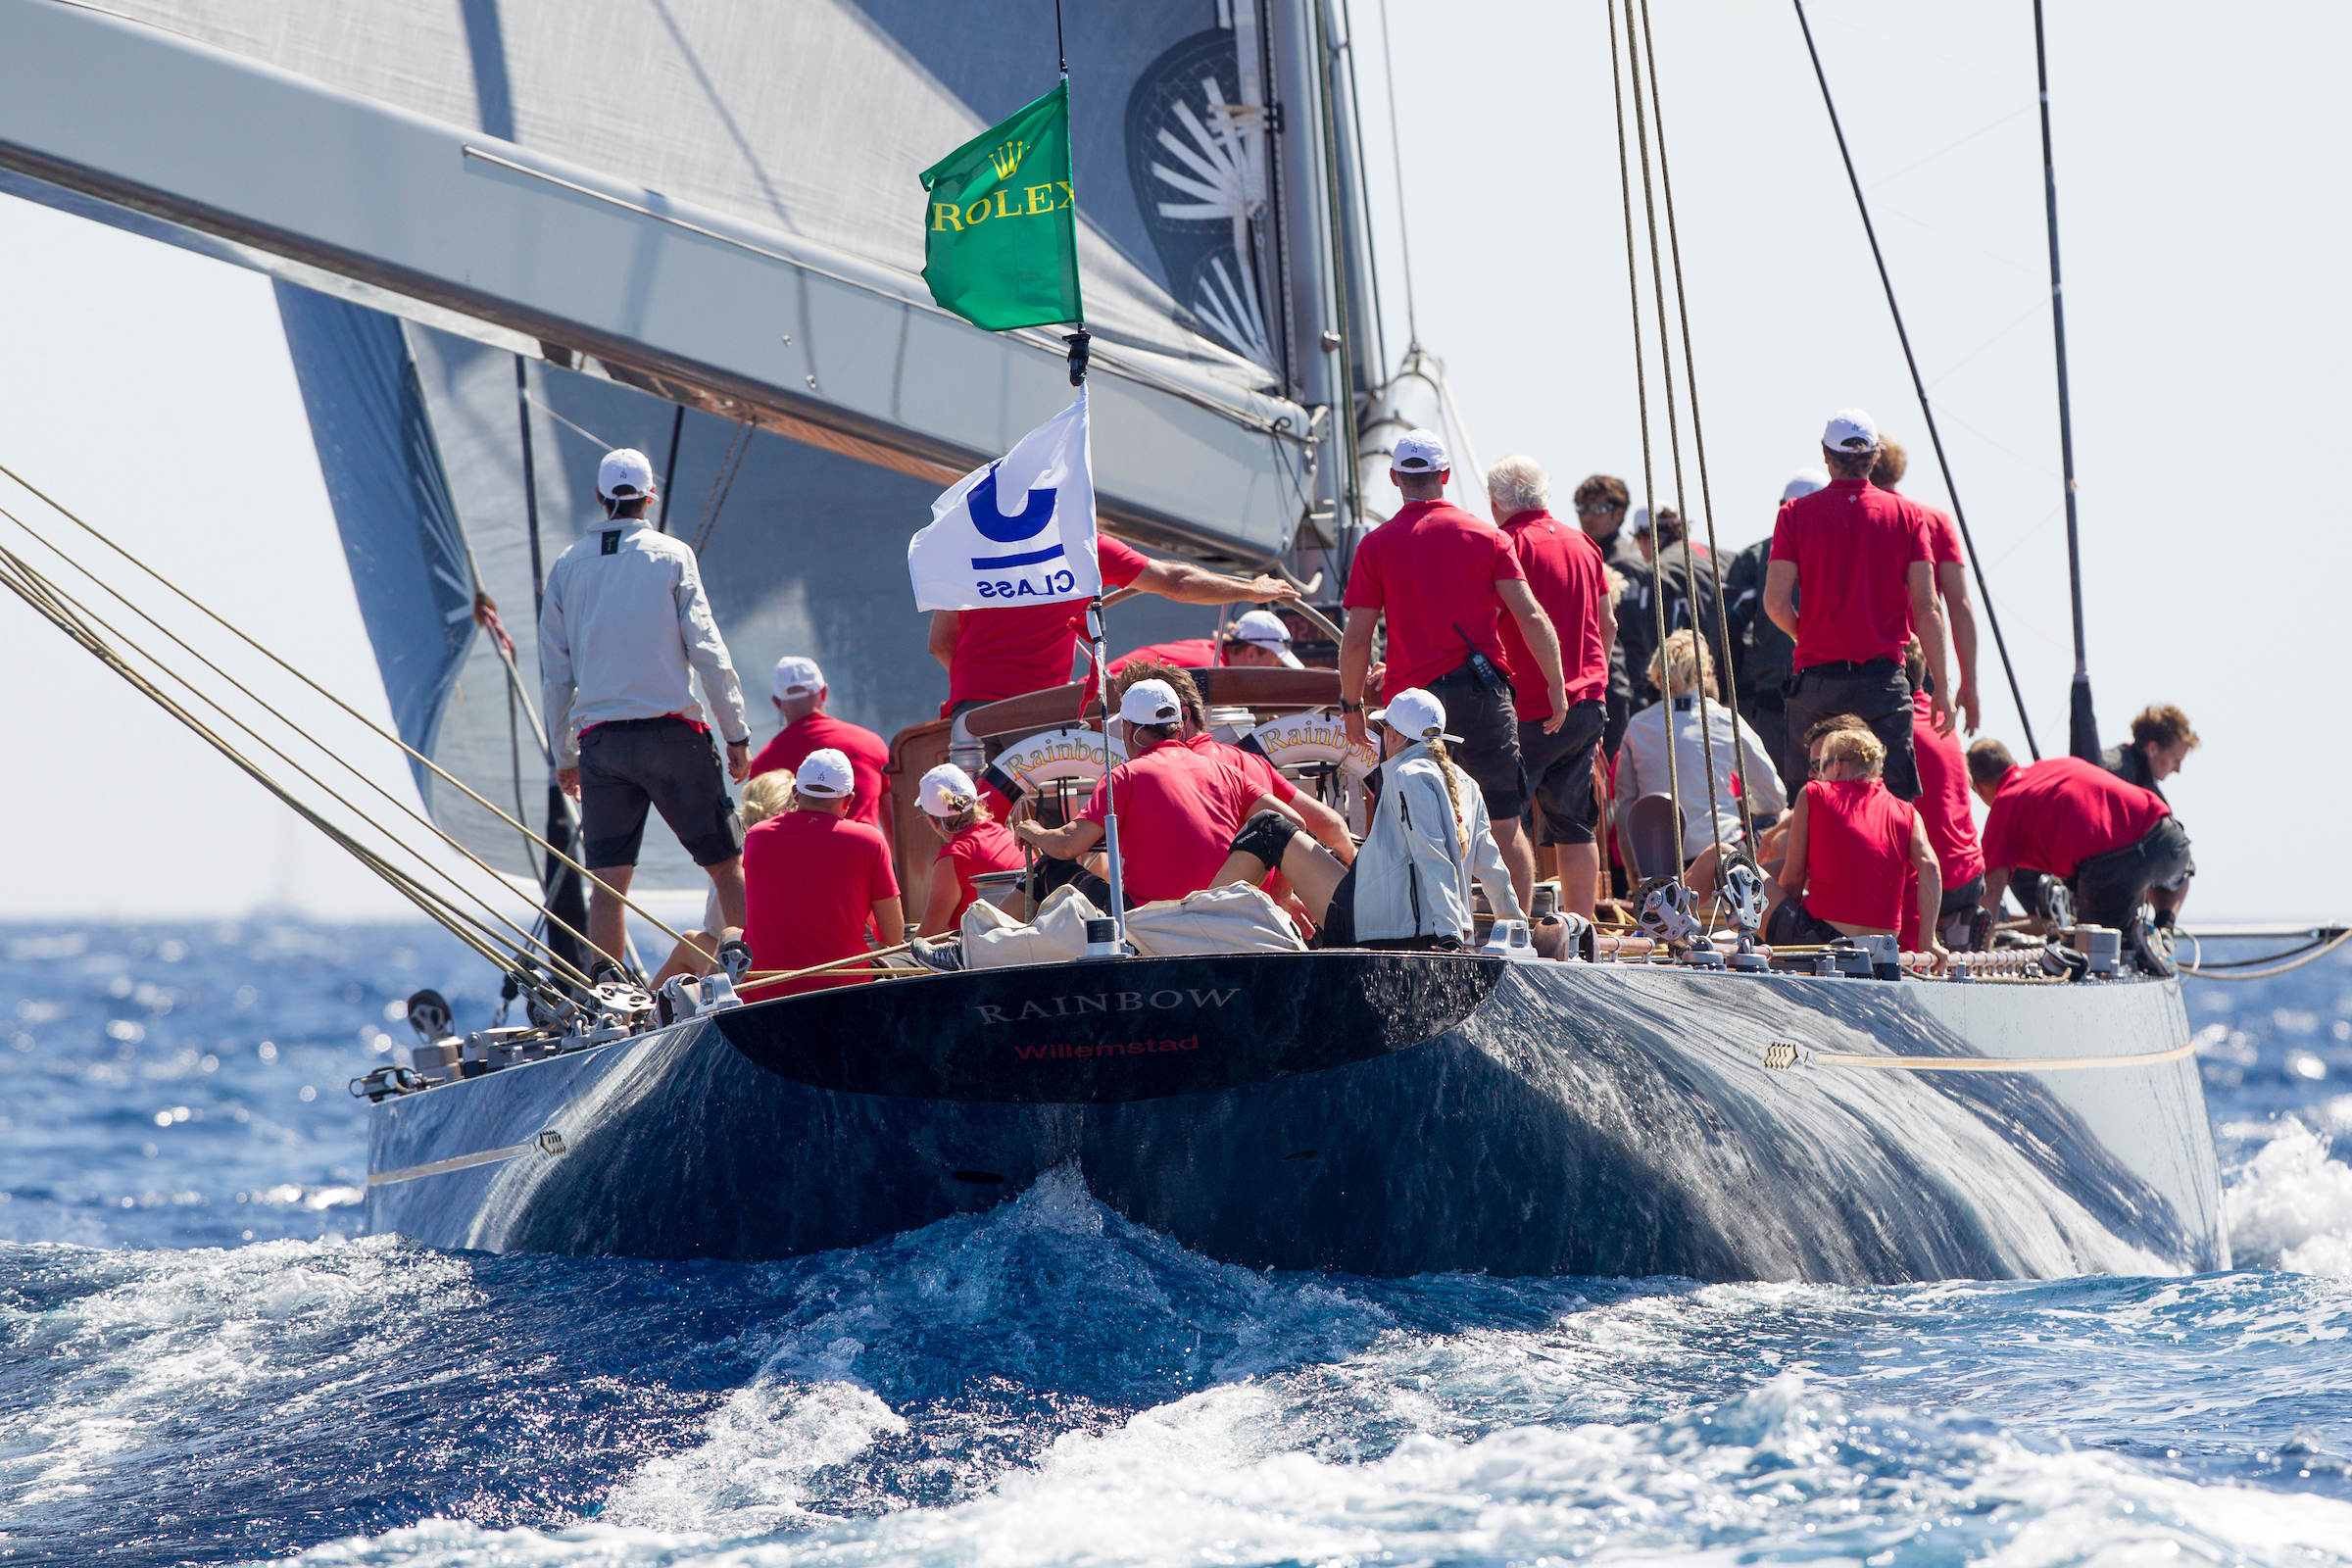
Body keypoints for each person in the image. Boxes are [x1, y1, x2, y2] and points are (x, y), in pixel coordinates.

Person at [541, 446, 753, 975]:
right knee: (726, 866)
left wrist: (563, 754)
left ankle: (609, 1000)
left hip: (602, 746)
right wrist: (736, 734)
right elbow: (709, 652)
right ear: (649, 496)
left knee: (608, 885)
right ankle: (757, 968)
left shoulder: (568, 565)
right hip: (673, 737)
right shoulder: (672, 554)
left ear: (600, 498)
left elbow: (555, 674)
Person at [1341, 429, 1568, 909]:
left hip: (1412, 709)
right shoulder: (1488, 537)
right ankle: (1516, 933)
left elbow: (1358, 638)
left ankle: (1424, 932)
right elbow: (1530, 616)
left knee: (1409, 819)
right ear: (1444, 476)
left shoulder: (1376, 545)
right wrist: (1556, 687)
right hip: (1482, 699)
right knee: (1504, 821)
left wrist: (1351, 707)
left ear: (1395, 478)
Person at [929, 534, 1297, 767]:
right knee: (1070, 821)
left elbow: (941, 644)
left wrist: (981, 690)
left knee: (981, 825)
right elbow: (1176, 581)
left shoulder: (973, 551)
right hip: (1036, 714)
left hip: (968, 714)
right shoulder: (1085, 547)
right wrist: (1249, 590)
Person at [1215, 688, 1522, 950]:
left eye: (1384, 730)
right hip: (1423, 927)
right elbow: (1492, 867)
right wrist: (1515, 926)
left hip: (1384, 929)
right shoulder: (1467, 783)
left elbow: (1431, 854)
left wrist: (1449, 937)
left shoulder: (1407, 776)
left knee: (1268, 829)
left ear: (1394, 735)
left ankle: (1198, 928)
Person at [1763, 408, 1951, 801]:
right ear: (1875, 457)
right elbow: (1927, 607)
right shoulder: (1909, 516)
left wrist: (1809, 634)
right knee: (1893, 806)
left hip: (1817, 683)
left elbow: (1776, 603)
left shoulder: (1795, 515)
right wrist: (1944, 689)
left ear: (1826, 455)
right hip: (1881, 686)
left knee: (1809, 805)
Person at [1010, 679, 1286, 907]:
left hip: (1151, 923)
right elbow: (1292, 823)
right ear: (1180, 724)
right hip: (1221, 912)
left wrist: (1033, 831)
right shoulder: (1225, 772)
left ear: (1131, 729)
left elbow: (1068, 846)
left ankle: (984, 952)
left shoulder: (1123, 777)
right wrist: (1282, 896)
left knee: (1050, 869)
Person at [1489, 456, 1615, 917]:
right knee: (1574, 823)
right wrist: (1591, 675)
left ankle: (1512, 925)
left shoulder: (1505, 545)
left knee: (1508, 817)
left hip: (1531, 707)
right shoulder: (1583, 544)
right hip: (1586, 705)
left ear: (1500, 501)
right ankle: (1583, 933)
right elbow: (1608, 625)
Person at [1109, 662, 1356, 864]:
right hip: (1266, 913)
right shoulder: (1253, 763)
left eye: (1140, 725)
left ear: (1181, 717)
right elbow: (1331, 825)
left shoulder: (1153, 777)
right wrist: (1349, 860)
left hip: (1200, 913)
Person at [1969, 739, 2194, 959]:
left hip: (2112, 867)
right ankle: (2165, 926)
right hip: (2168, 839)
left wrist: (1976, 957)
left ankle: (2130, 941)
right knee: (2181, 869)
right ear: (2012, 762)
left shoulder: (2004, 807)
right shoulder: (2057, 765)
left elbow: (1991, 894)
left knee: (2088, 952)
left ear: (1977, 787)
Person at [1766, 724, 1943, 963]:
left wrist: (1774, 924)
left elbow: (1793, 880)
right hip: (1883, 950)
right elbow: (1930, 866)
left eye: (1821, 767)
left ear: (1837, 766)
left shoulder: (1814, 793)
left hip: (1820, 940)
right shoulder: (1908, 812)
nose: (1818, 775)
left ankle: (1695, 937)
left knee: (1724, 858)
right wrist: (1928, 941)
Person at [1617, 629, 1788, 874]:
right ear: (1707, 675)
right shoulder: (1724, 720)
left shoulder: (1637, 726)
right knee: (1783, 818)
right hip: (1723, 857)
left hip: (1658, 865)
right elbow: (1774, 798)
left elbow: (1626, 806)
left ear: (1657, 679)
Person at [739, 749, 903, 1000]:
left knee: (730, 934)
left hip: (763, 993)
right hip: (842, 989)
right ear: (849, 800)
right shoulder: (868, 840)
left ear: (795, 794)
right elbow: (892, 937)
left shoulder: (756, 836)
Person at [1871, 438, 1983, 733]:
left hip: (1865, 663)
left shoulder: (1857, 517)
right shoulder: (1936, 520)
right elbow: (1960, 605)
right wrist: (1967, 683)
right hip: (1927, 664)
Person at [651, 770, 797, 988]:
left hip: (753, 967)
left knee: (690, 942)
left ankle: (644, 1015)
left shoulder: (730, 866)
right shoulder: (802, 855)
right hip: (798, 963)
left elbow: (714, 928)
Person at [1722, 468, 1827, 772]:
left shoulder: (1756, 557)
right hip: (1837, 690)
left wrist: (1731, 695)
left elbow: (1729, 630)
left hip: (1774, 700)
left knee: (1779, 795)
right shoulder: (1852, 549)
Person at [1901, 637, 1986, 950]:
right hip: (1970, 876)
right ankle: (1956, 929)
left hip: (1934, 881)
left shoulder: (1897, 726)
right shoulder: (1942, 719)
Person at [747, 656, 891, 837]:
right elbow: (896, 827)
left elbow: (760, 837)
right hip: (865, 860)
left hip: (796, 865)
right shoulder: (871, 744)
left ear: (777, 703)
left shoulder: (763, 765)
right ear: (823, 693)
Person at [910, 762, 1024, 936]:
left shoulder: (953, 859)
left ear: (933, 821)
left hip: (984, 958)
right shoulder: (1008, 838)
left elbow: (928, 938)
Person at [1106, 610, 1309, 676]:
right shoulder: (1212, 670)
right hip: (1091, 710)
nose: (1276, 670)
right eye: (1275, 662)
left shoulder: (1210, 654)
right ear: (1252, 653)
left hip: (1090, 698)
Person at [2104, 704, 2199, 803]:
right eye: (2176, 760)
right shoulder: (2111, 770)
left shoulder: (2148, 789)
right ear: (2152, 749)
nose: (2178, 769)